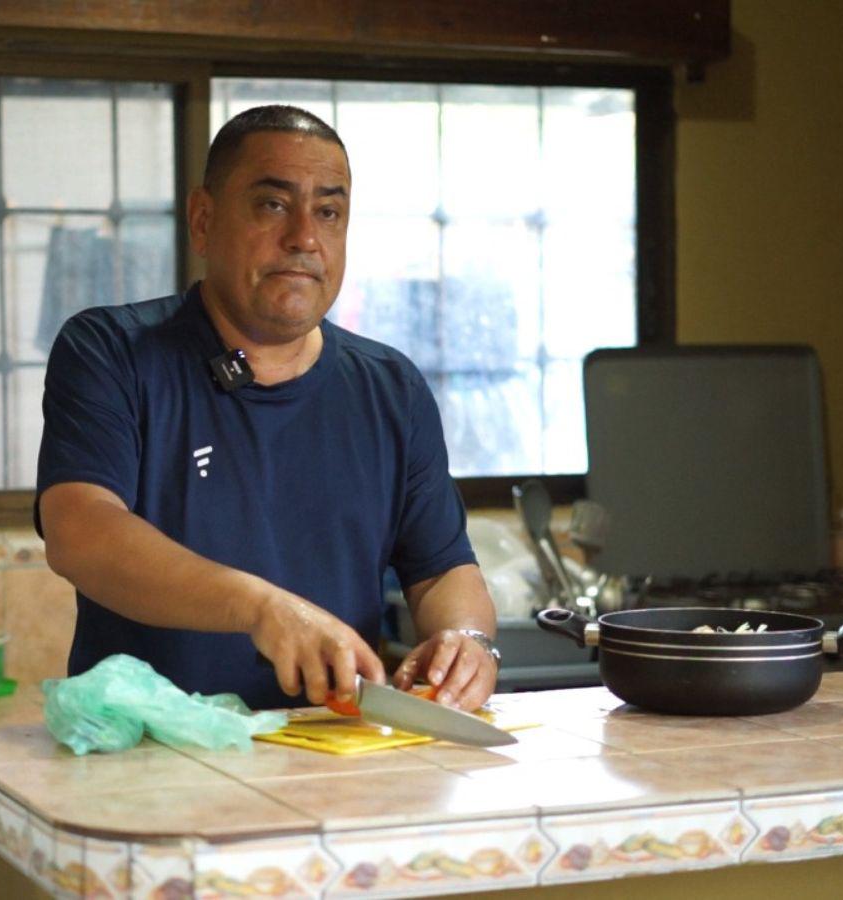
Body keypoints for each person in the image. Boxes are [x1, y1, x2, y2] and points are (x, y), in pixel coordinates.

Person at [36, 104, 499, 712]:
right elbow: (81, 532)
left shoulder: (391, 388)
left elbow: (441, 571)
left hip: (332, 755)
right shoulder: (112, 352)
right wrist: (260, 608)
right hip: (152, 756)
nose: (305, 237)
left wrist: (464, 642)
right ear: (203, 221)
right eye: (273, 205)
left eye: (328, 212)